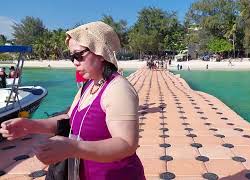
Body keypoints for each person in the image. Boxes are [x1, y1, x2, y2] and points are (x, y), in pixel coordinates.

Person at [0, 21, 145, 180]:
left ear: (100, 52)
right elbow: (69, 119)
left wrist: (73, 148)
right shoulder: (89, 85)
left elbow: (126, 144)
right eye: (71, 56)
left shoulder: (118, 89)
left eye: (78, 55)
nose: (75, 61)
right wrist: (30, 126)